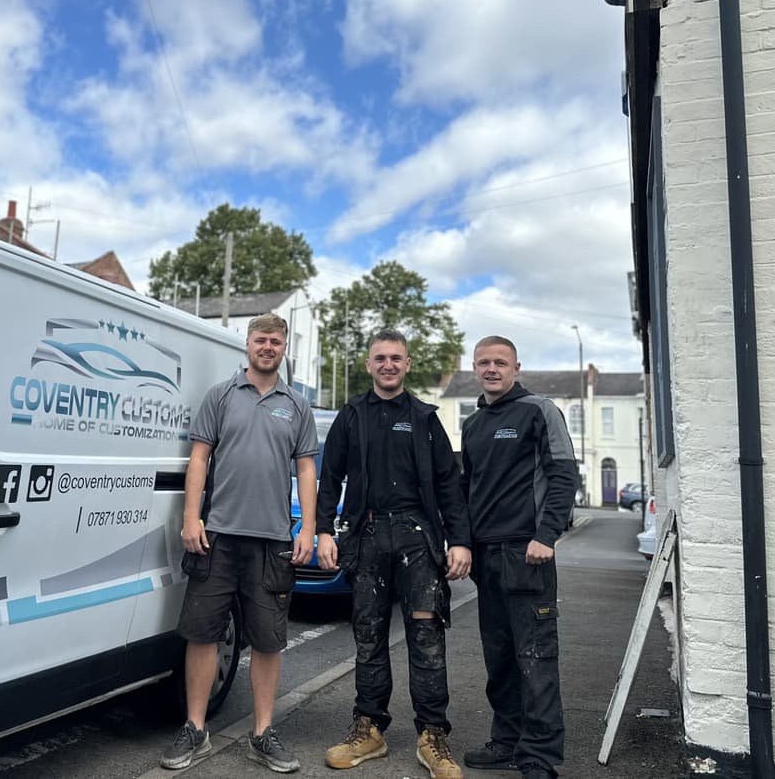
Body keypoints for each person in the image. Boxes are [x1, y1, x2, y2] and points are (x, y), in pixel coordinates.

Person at [160, 313, 318, 773]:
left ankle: (263, 732)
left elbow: (306, 468)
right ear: (247, 344)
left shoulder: (297, 405)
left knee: (268, 640)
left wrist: (306, 527)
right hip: (218, 538)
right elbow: (199, 459)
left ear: (284, 348)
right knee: (203, 633)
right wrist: (191, 518)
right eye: (260, 339)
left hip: (272, 542)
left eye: (275, 341)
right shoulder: (221, 396)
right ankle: (196, 728)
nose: (267, 346)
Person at [316, 329, 472, 779]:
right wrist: (325, 530)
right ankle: (369, 729)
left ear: (407, 365)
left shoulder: (424, 418)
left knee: (426, 637)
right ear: (369, 365)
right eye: (380, 357)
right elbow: (330, 478)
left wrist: (458, 540)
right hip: (366, 538)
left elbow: (448, 483)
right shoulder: (352, 416)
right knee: (369, 636)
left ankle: (432, 735)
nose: (388, 364)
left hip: (417, 540)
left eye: (396, 358)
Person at [459, 336, 577, 779]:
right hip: (487, 557)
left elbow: (564, 473)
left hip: (527, 553)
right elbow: (469, 488)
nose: (492, 369)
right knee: (501, 658)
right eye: (484, 362)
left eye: (500, 362)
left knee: (536, 657)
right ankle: (507, 742)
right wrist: (465, 543)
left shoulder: (538, 410)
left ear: (516, 367)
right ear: (475, 368)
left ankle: (539, 758)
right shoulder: (473, 425)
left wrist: (547, 535)